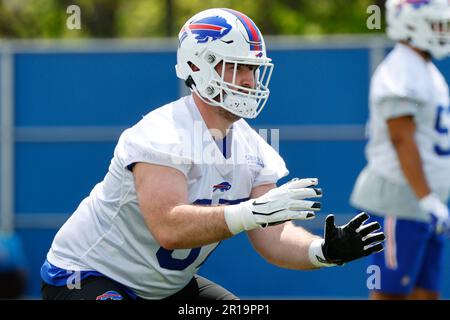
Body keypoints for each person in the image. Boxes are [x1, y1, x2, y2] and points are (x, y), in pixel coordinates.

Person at [40, 8, 385, 300]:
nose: (249, 81)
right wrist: (249, 212)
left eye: (252, 68)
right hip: (88, 274)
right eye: (238, 67)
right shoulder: (160, 134)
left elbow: (273, 234)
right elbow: (169, 228)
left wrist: (322, 251)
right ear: (200, 66)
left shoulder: (254, 149)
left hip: (163, 289)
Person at [350, 0, 450, 300]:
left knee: (425, 293)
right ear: (409, 23)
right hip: (400, 202)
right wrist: (427, 197)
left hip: (424, 203)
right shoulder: (400, 70)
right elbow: (401, 139)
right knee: (389, 293)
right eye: (437, 24)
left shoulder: (424, 68)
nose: (443, 31)